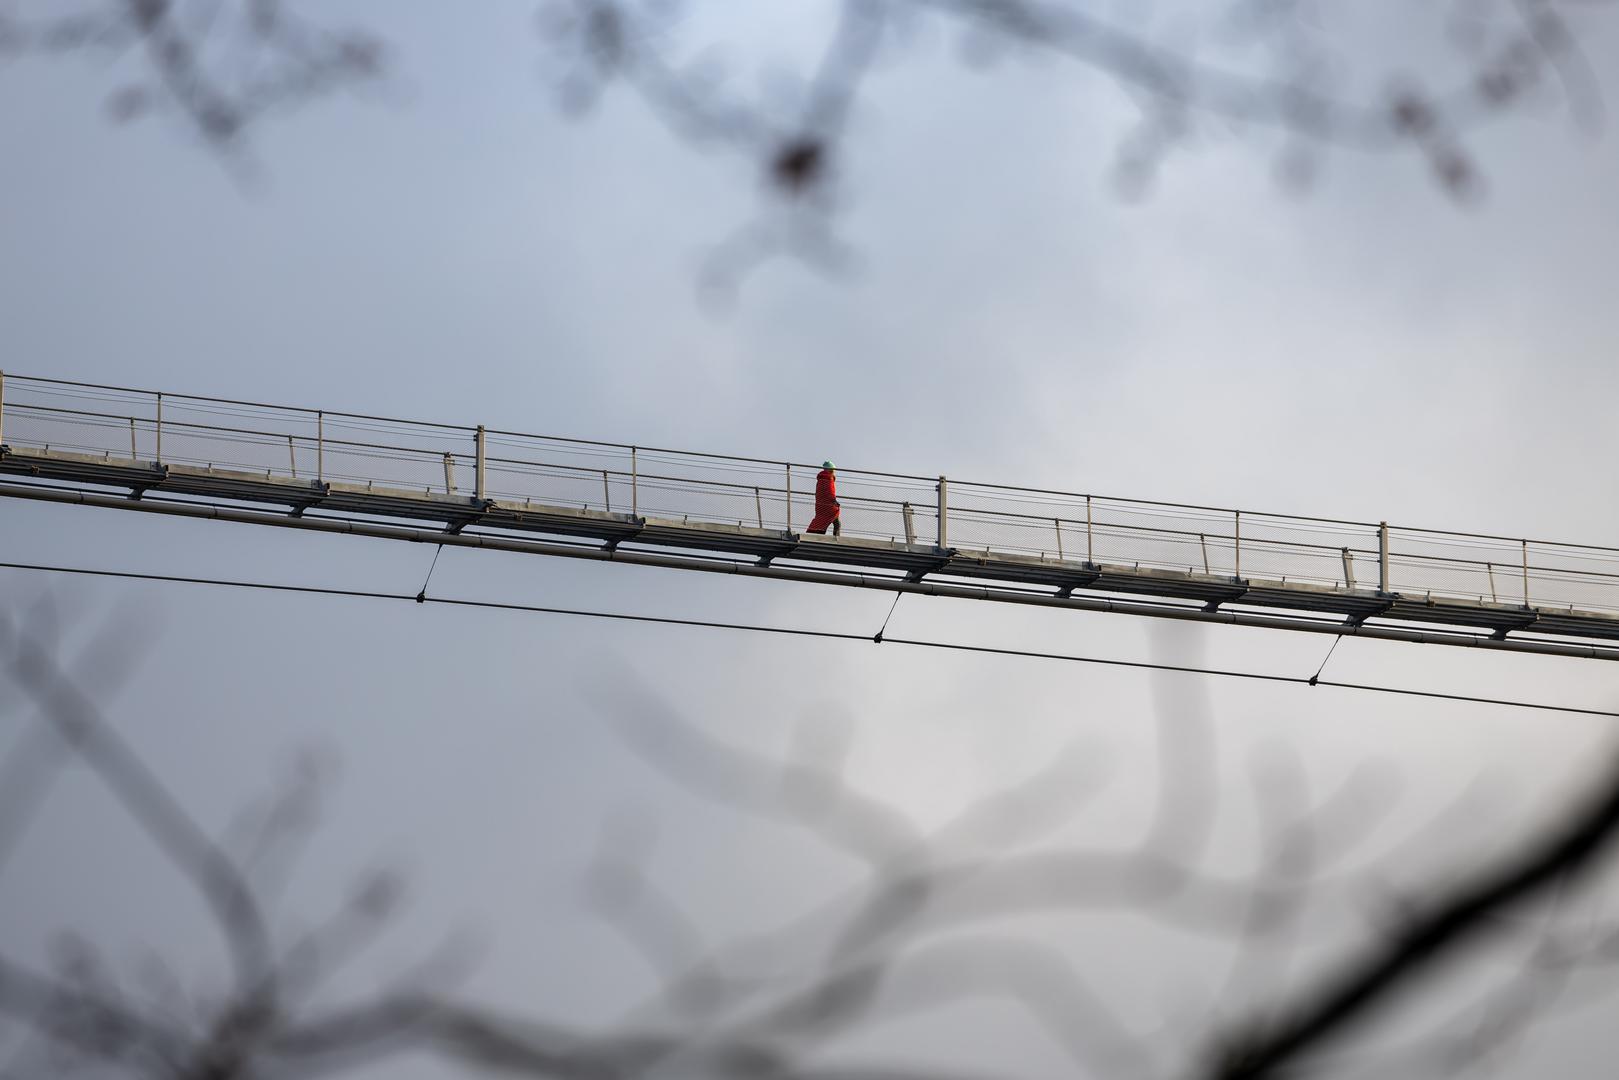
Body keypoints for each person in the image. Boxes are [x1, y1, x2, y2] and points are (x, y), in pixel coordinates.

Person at [807, 460, 841, 537]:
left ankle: (818, 535)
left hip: (821, 504)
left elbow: (820, 492)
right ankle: (836, 538)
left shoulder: (821, 478)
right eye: (833, 470)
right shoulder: (829, 478)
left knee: (822, 521)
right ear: (830, 470)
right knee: (837, 523)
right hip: (829, 505)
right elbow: (830, 491)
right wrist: (834, 501)